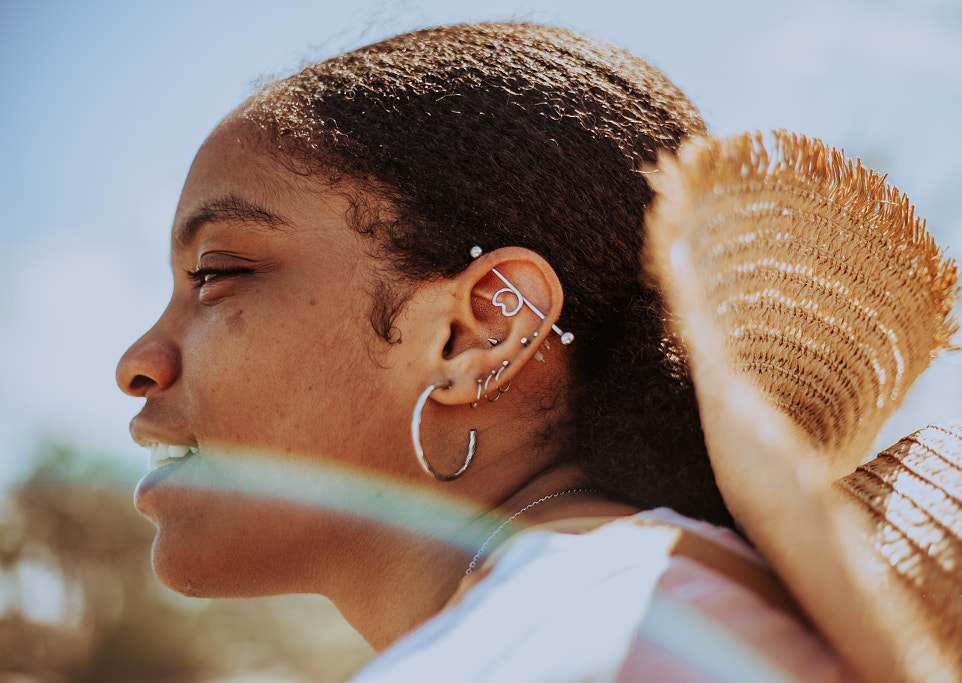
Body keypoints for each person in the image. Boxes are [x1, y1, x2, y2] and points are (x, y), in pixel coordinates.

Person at [116, 22, 857, 680]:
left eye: (216, 274)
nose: (138, 362)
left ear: (480, 331)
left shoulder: (588, 631)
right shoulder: (633, 599)